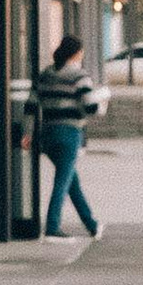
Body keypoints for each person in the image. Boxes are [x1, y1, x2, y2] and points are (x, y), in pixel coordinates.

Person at [31, 30, 104, 238]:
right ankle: (52, 227)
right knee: (62, 183)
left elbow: (31, 104)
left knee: (71, 181)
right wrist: (101, 103)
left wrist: (27, 133)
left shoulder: (45, 74)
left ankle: (91, 224)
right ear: (77, 53)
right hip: (69, 133)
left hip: (47, 133)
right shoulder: (79, 76)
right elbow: (90, 107)